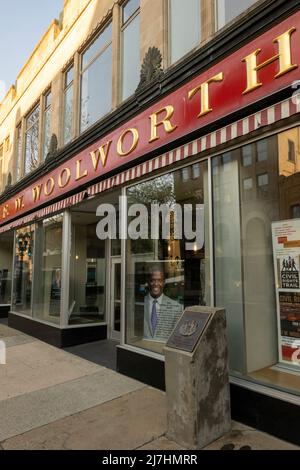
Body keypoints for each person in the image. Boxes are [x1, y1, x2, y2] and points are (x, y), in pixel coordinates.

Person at [143, 265, 183, 341]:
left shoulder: (176, 307)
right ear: (148, 282)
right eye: (153, 280)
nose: (156, 283)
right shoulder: (140, 303)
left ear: (164, 283)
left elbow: (177, 335)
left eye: (159, 280)